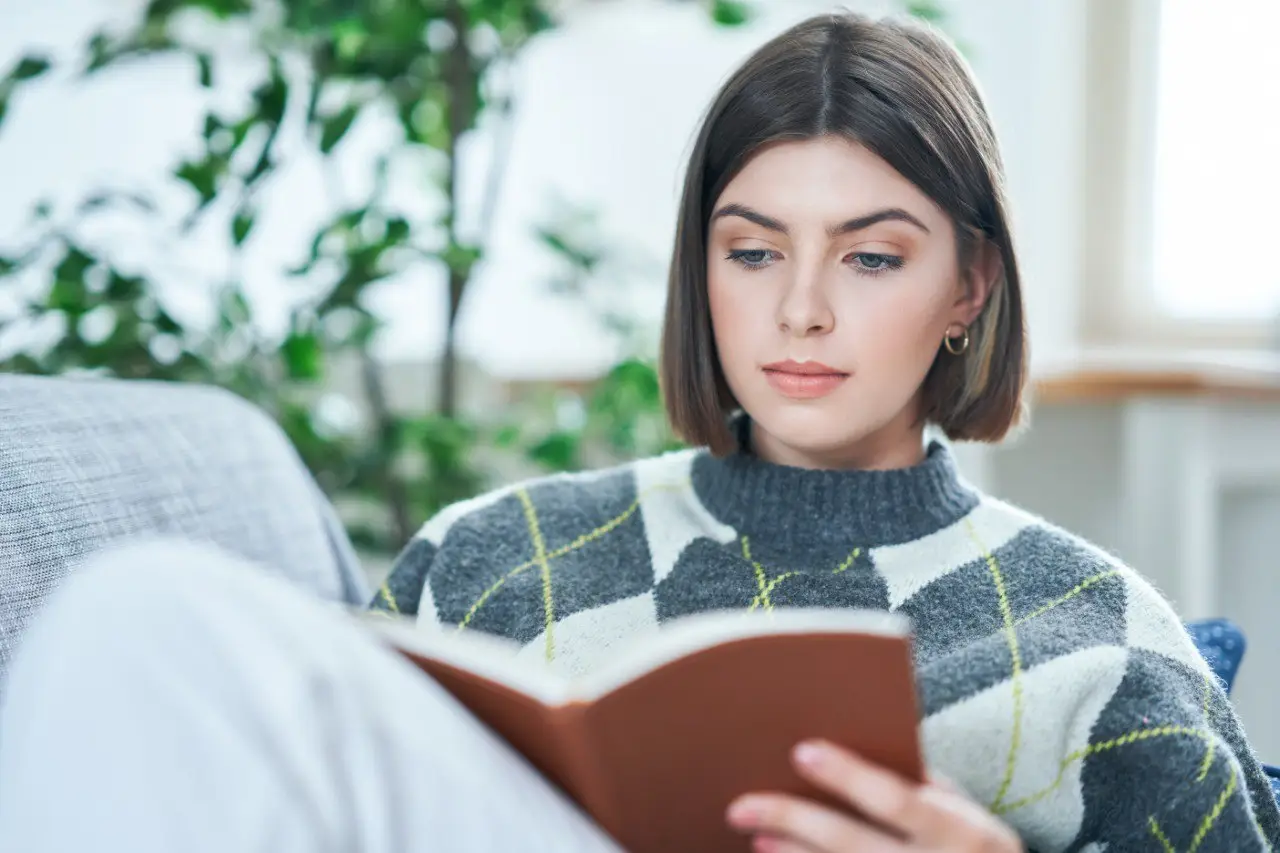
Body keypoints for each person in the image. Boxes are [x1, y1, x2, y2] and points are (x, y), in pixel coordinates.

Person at [1, 10, 1277, 853]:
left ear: (968, 287)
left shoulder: (1103, 649)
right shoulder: (485, 555)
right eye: (752, 248)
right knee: (144, 613)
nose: (799, 308)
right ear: (700, 269)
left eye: (871, 257)